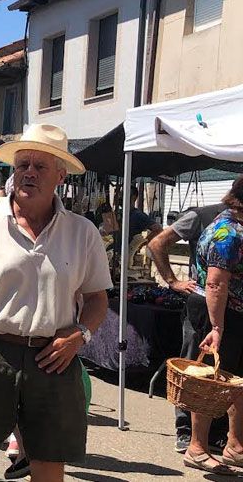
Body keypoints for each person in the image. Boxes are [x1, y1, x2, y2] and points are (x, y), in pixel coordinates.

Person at [0, 123, 111, 482]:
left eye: (40, 166)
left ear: (60, 177)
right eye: (23, 165)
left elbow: (97, 298)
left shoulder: (83, 232)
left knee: (49, 461)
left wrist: (80, 334)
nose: (29, 173)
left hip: (55, 356)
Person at [149, 197, 233, 453]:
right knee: (195, 366)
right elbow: (157, 243)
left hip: (230, 306)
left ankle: (216, 434)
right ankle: (186, 431)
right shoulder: (202, 215)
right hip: (201, 303)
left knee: (223, 370)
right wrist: (172, 281)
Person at [181, 178, 243, 474]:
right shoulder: (229, 231)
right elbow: (216, 283)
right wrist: (217, 328)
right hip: (219, 314)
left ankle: (235, 444)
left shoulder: (235, 223)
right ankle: (196, 447)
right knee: (211, 381)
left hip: (232, 313)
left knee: (237, 381)